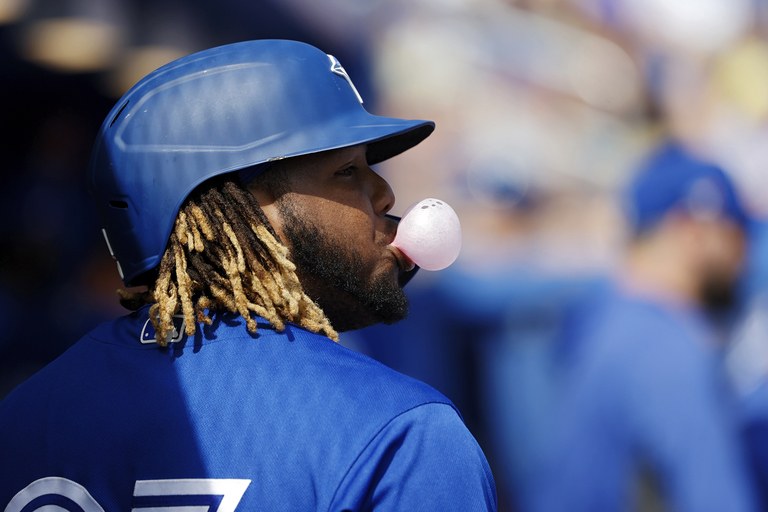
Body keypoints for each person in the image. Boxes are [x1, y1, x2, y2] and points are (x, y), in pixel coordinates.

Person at [0, 39, 497, 511]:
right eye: (347, 170)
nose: (385, 194)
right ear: (248, 209)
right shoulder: (401, 436)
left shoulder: (22, 417)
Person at [529, 139, 757, 512]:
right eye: (737, 234)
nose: (744, 256)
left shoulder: (600, 313)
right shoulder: (665, 347)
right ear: (694, 233)